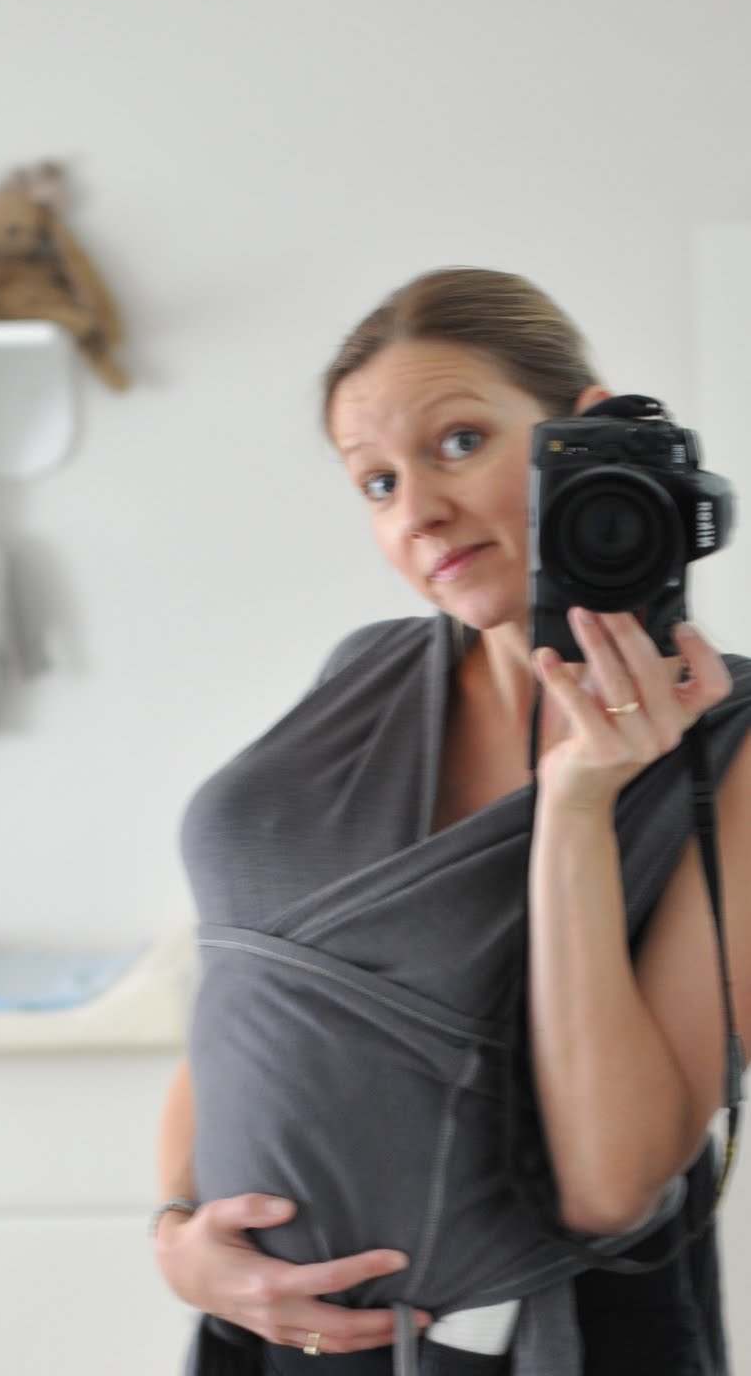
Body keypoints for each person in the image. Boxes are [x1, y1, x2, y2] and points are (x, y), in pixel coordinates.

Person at [153, 269, 751, 1375]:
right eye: (377, 481)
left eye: (461, 442)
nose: (416, 511)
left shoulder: (733, 748)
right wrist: (176, 1236)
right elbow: (244, 980)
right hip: (263, 1342)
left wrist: (578, 803)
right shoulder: (365, 671)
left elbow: (610, 1185)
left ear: (590, 435)